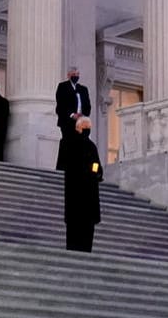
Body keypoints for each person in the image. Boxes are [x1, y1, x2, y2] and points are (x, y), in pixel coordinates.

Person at [59, 116, 103, 252]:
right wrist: (93, 173)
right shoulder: (89, 146)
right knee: (84, 232)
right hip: (85, 193)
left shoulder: (70, 144)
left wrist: (93, 172)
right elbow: (95, 165)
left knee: (75, 231)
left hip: (77, 193)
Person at [54, 66, 92, 141]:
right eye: (74, 74)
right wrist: (72, 115)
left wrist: (83, 115)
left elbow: (88, 105)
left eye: (77, 74)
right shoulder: (63, 87)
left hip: (81, 121)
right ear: (68, 75)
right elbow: (61, 105)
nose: (76, 76)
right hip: (67, 121)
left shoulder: (83, 89)